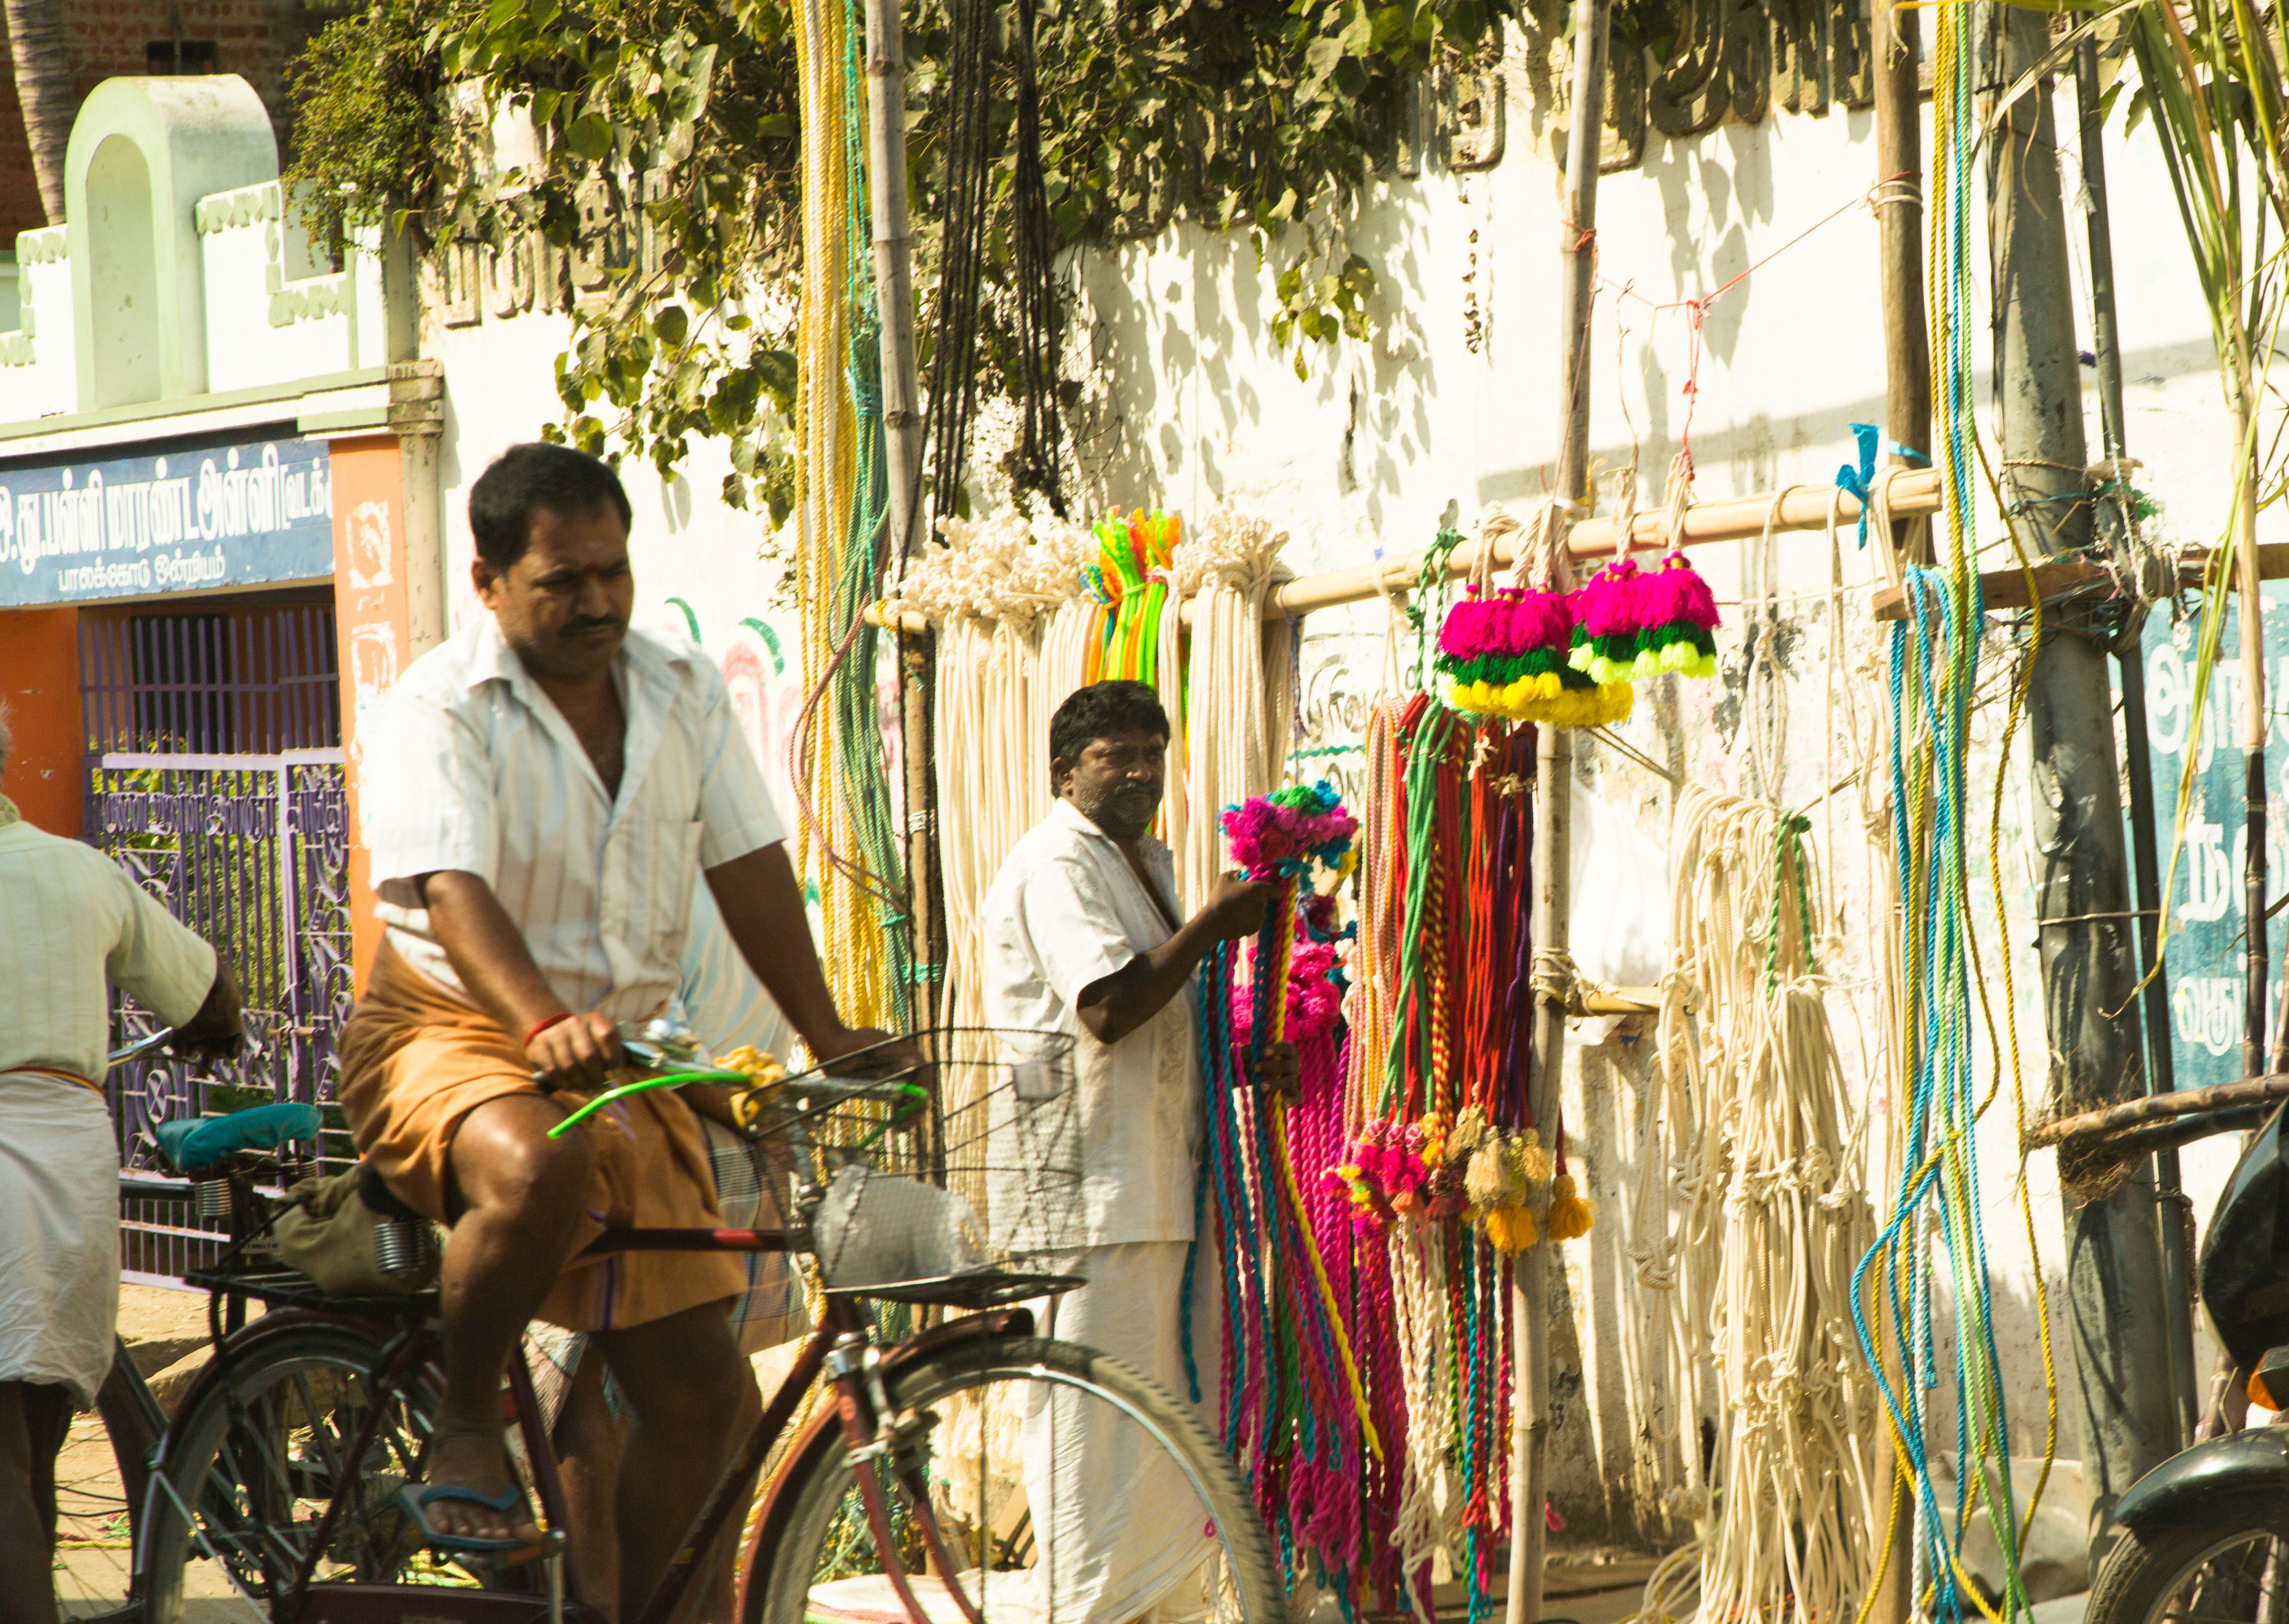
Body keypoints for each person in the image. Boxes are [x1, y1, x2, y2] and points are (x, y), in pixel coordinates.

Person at [342, 442, 903, 1617]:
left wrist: (828, 1031)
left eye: (613, 571)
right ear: (489, 581)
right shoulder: (438, 705)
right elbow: (450, 887)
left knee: (706, 1401)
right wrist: (540, 1020)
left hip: (618, 1050)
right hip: (448, 1027)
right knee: (541, 1159)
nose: (597, 601)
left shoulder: (682, 687)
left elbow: (747, 862)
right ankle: (464, 1426)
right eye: (563, 580)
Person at [977, 679, 1296, 1624]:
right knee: (1095, 1431)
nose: (1140, 772)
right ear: (1063, 773)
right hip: (1086, 1197)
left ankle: (1159, 1611)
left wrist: (1242, 1060)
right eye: (1115, 754)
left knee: (1163, 1428)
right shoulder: (1056, 865)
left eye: (1152, 753)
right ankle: (1085, 1612)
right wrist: (1210, 927)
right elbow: (1110, 1008)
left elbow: (1159, 1025)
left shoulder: (1144, 863)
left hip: (1152, 1190)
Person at [0, 702, 244, 1624]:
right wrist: (210, 1033)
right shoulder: (79, 869)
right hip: (71, 1151)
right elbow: (210, 998)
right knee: (34, 1442)